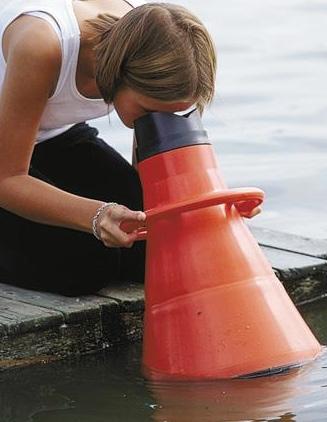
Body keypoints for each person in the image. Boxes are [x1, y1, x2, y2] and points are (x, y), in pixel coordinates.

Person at [0, 0, 260, 296]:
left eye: (169, 116)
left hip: (51, 133)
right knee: (81, 267)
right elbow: (6, 178)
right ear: (117, 73)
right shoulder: (43, 44)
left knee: (151, 247)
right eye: (149, 112)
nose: (155, 123)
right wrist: (96, 216)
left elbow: (150, 187)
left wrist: (211, 212)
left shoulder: (158, 47)